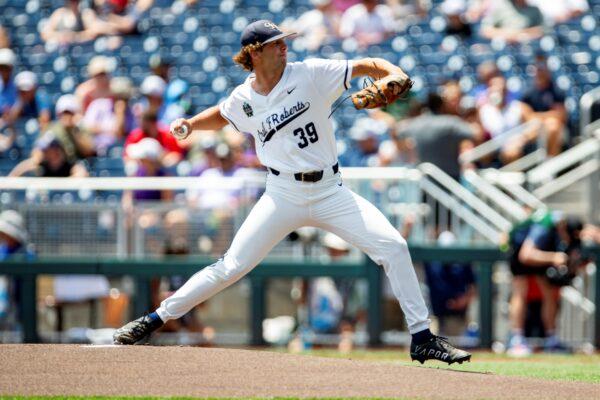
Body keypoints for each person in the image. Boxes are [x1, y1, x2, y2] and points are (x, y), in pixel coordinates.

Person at [113, 19, 470, 365]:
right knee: (231, 266)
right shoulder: (244, 98)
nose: (285, 46)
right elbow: (223, 114)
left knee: (394, 246)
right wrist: (190, 124)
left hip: (331, 191)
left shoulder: (309, 72)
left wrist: (393, 73)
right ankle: (155, 319)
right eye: (276, 44)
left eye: (284, 41)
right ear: (254, 53)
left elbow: (368, 64)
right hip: (282, 193)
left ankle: (422, 337)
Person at [506, 210, 584, 356]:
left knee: (550, 293)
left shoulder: (561, 228)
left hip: (541, 252)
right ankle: (516, 341)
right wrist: (554, 257)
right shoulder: (544, 227)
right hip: (518, 251)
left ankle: (551, 340)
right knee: (520, 291)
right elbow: (526, 255)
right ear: (563, 227)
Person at [479, 0, 544, 44]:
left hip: (528, 49)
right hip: (504, 50)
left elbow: (542, 30)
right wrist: (511, 35)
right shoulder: (500, 6)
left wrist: (521, 34)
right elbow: (486, 31)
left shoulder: (534, 10)